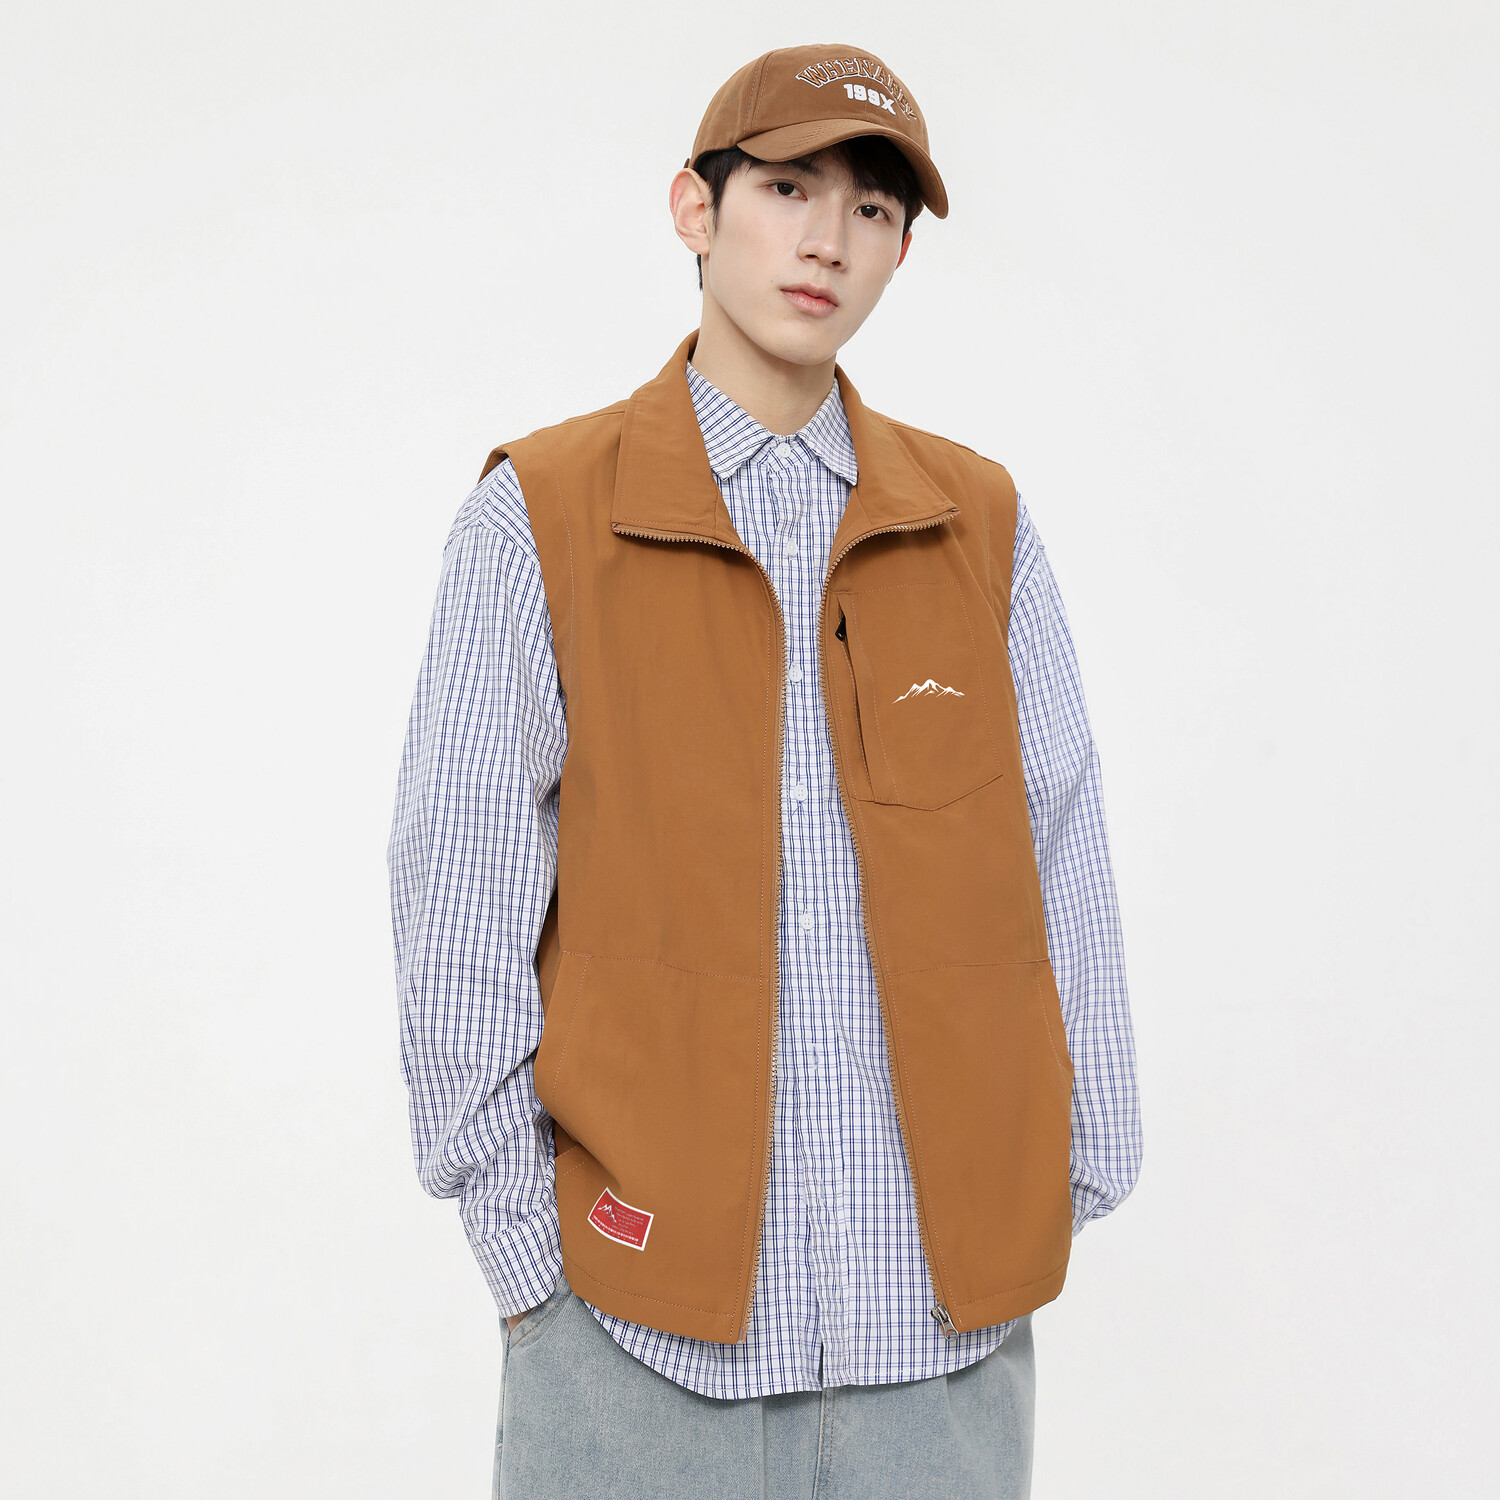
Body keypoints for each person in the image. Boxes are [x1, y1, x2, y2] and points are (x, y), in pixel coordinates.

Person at [387, 42, 1142, 1499]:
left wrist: (1067, 1174)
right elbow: (459, 895)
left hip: (941, 1340)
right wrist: (532, 1266)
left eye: (872, 209)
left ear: (902, 250)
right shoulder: (541, 516)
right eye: (789, 190)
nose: (827, 241)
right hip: (633, 1338)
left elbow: (1062, 848)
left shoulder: (978, 523)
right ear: (696, 207)